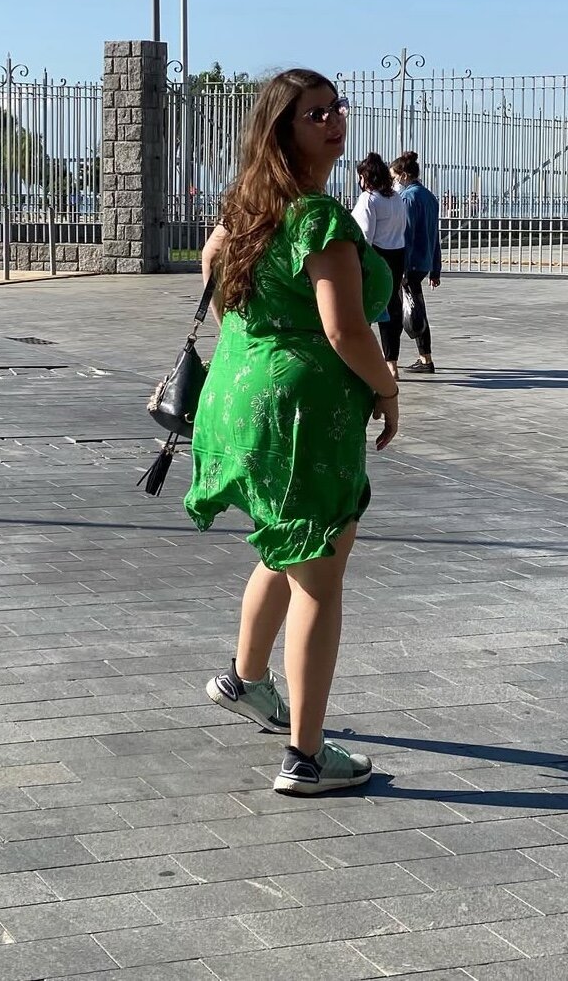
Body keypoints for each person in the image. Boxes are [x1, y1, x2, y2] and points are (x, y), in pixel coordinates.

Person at [185, 69, 399, 795]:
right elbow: (345, 330)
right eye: (316, 114)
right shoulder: (318, 218)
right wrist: (388, 389)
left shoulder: (246, 208)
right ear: (283, 130)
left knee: (286, 541)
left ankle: (246, 679)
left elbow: (212, 269)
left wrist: (257, 343)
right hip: (303, 414)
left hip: (237, 398)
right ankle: (306, 757)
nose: (334, 121)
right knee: (321, 571)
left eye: (337, 108)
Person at [352, 152, 406, 381]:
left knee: (364, 308)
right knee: (392, 308)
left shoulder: (369, 199)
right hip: (397, 255)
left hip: (376, 256)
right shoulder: (396, 198)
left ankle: (361, 359)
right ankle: (391, 362)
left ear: (366, 177)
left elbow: (365, 236)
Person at [390, 150, 442, 373]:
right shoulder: (429, 197)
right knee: (415, 307)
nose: (393, 182)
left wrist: (401, 267)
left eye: (393, 177)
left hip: (409, 264)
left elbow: (407, 236)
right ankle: (424, 357)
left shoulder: (407, 198)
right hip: (424, 261)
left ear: (403, 176)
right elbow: (435, 235)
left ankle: (405, 359)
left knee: (403, 311)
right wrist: (435, 269)